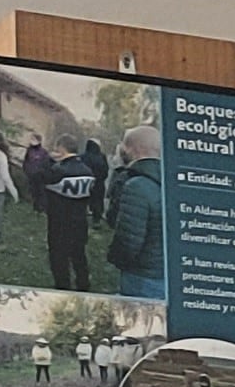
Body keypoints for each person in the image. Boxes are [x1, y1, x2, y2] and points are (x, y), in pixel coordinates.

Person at [26, 133, 101, 289]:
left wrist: (49, 160)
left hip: (59, 222)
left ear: (61, 149)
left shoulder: (57, 171)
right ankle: (83, 284)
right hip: (80, 221)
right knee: (79, 255)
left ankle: (63, 285)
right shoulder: (87, 171)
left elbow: (35, 177)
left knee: (59, 257)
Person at [105, 123, 167, 300]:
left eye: (125, 146)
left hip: (141, 278)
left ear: (134, 149)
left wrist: (115, 260)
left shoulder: (136, 186)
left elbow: (128, 242)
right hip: (166, 274)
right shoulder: (174, 182)